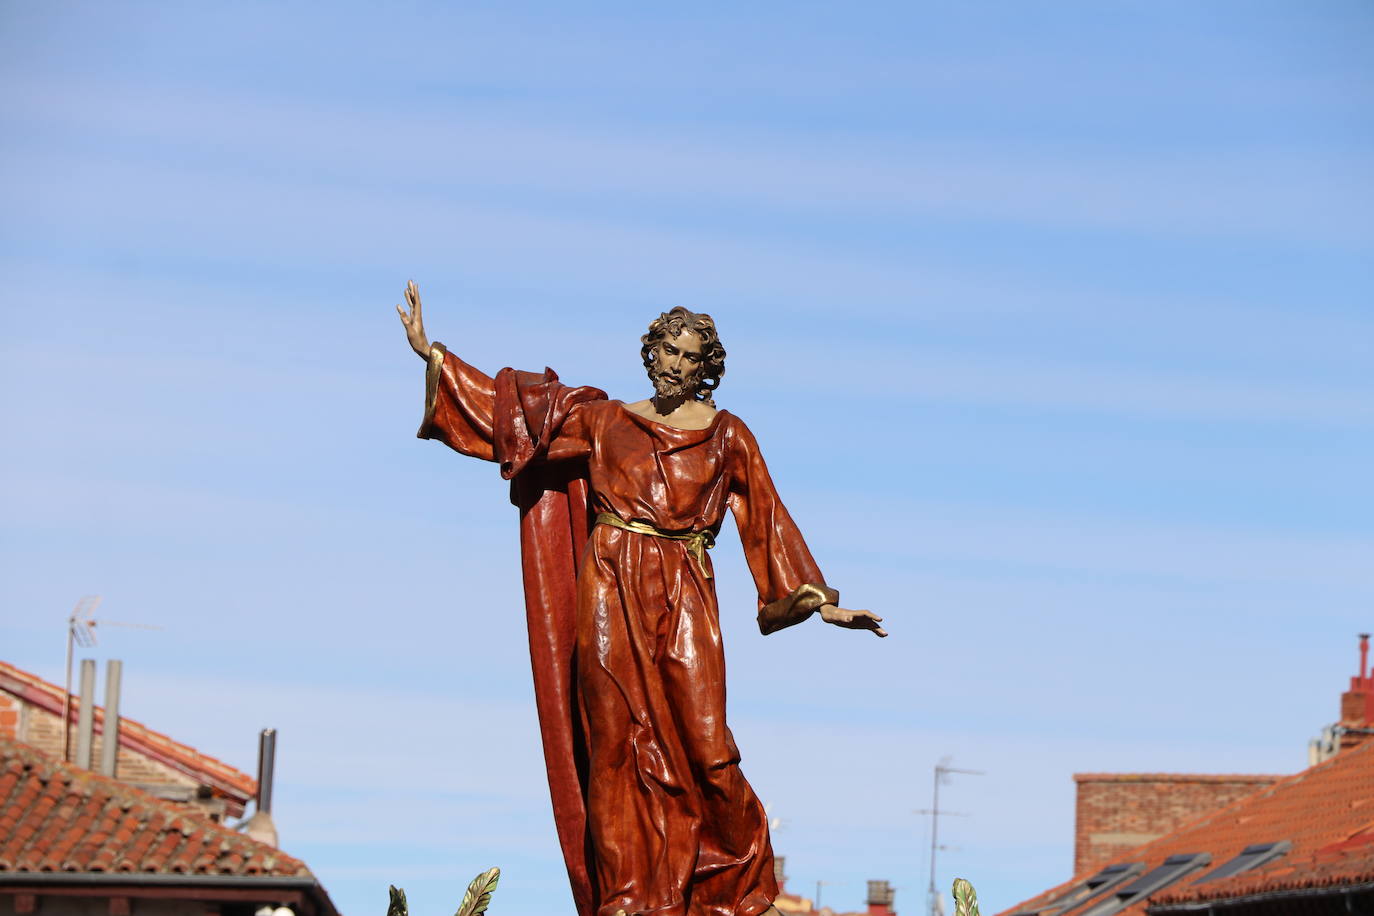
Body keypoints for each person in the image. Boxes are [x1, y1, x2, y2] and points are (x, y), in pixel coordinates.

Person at [397, 281, 885, 916]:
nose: (675, 366)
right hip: (611, 581)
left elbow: (766, 519)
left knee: (706, 744)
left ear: (707, 368)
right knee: (616, 743)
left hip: (684, 589)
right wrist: (435, 357)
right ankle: (627, 897)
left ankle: (726, 889)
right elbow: (518, 421)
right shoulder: (605, 422)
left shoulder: (727, 436)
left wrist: (819, 603)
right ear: (651, 353)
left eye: (689, 357)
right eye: (667, 352)